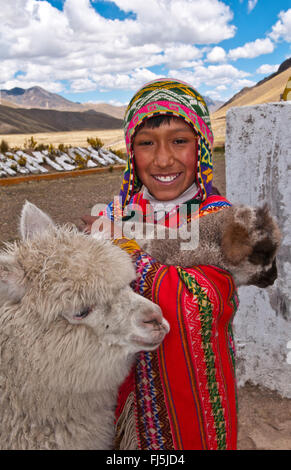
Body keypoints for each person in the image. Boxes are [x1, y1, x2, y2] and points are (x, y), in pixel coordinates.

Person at [81, 79, 239, 450]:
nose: (163, 159)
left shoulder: (218, 218)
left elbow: (195, 302)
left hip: (193, 401)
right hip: (118, 402)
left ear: (200, 147)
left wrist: (121, 245)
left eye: (179, 141)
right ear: (131, 153)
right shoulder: (115, 211)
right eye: (147, 143)